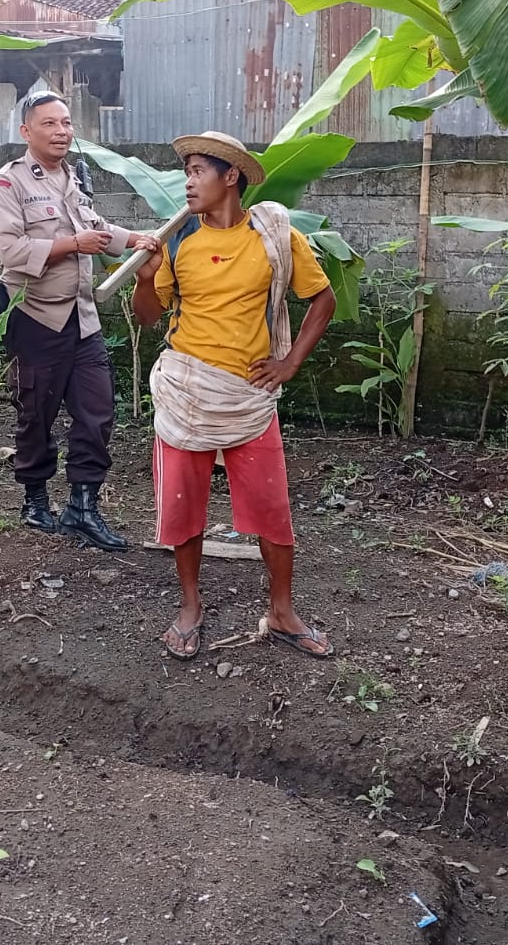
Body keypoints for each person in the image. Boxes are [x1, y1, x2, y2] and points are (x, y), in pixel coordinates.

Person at [131, 131, 337, 660]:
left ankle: (283, 611)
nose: (188, 179)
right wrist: (146, 278)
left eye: (199, 169)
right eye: (187, 170)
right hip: (185, 393)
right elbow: (149, 317)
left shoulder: (273, 235)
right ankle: (190, 606)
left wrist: (290, 363)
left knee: (272, 510)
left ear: (230, 177)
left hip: (248, 398)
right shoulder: (178, 241)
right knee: (182, 509)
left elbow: (322, 299)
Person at [0, 90, 159, 551]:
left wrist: (135, 238)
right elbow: (12, 253)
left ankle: (83, 506)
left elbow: (96, 229)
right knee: (35, 414)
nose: (62, 131)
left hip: (83, 319)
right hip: (35, 315)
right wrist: (70, 246)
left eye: (66, 123)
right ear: (26, 132)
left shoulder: (75, 179)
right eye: (50, 124)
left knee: (98, 412)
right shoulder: (9, 184)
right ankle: (35, 501)